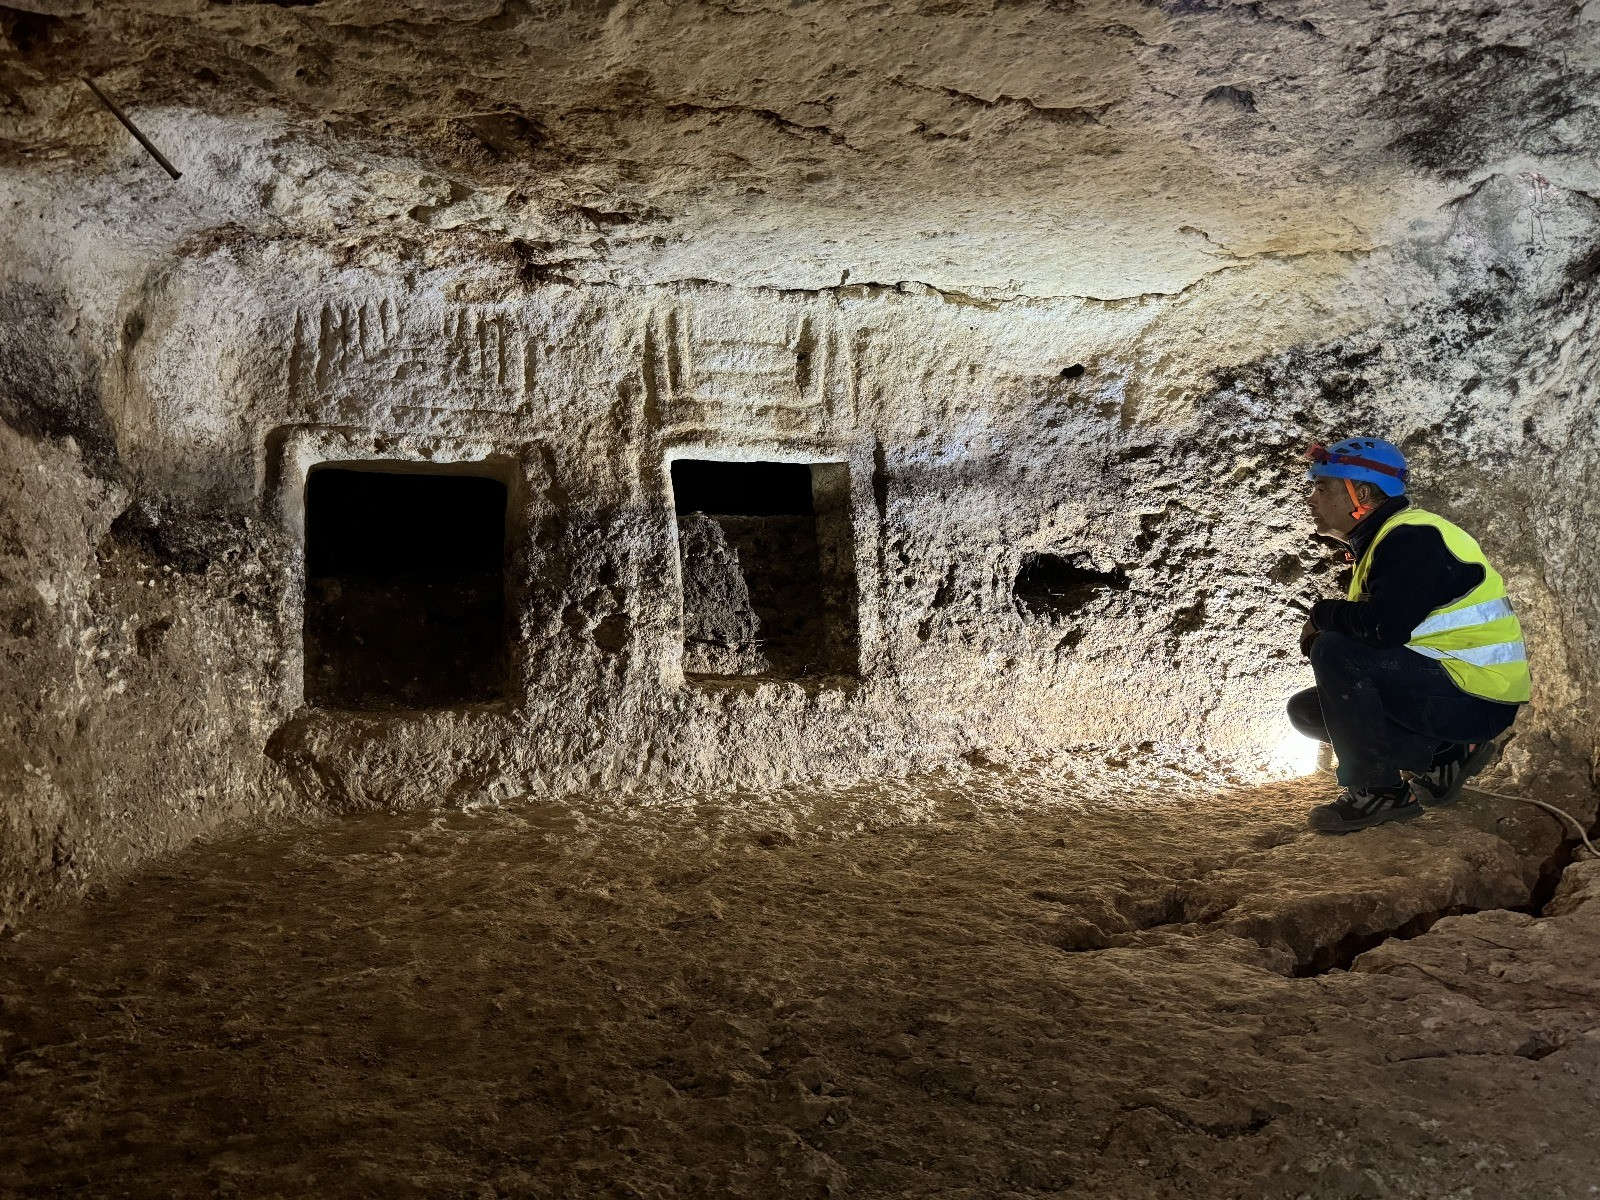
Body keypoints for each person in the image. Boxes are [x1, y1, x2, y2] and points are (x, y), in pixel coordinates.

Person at [1289, 437, 1530, 833]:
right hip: (1450, 688)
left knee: (1335, 649)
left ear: (1362, 493)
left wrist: (1321, 616)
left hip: (1475, 694)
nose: (1311, 499)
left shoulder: (1414, 537)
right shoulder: (1383, 543)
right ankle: (1445, 755)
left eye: (1322, 487)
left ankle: (1379, 792)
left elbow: (1383, 628)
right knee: (1309, 712)